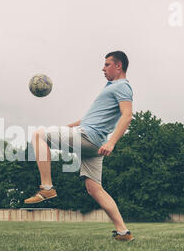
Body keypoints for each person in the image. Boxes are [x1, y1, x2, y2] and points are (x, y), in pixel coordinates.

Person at [24, 51, 134, 241]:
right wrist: (68, 128)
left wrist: (112, 142)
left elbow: (127, 116)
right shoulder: (111, 88)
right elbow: (90, 119)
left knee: (39, 135)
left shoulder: (122, 87)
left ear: (119, 66)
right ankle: (123, 232)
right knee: (94, 189)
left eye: (107, 64)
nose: (103, 68)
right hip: (92, 140)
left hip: (89, 139)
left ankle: (47, 187)